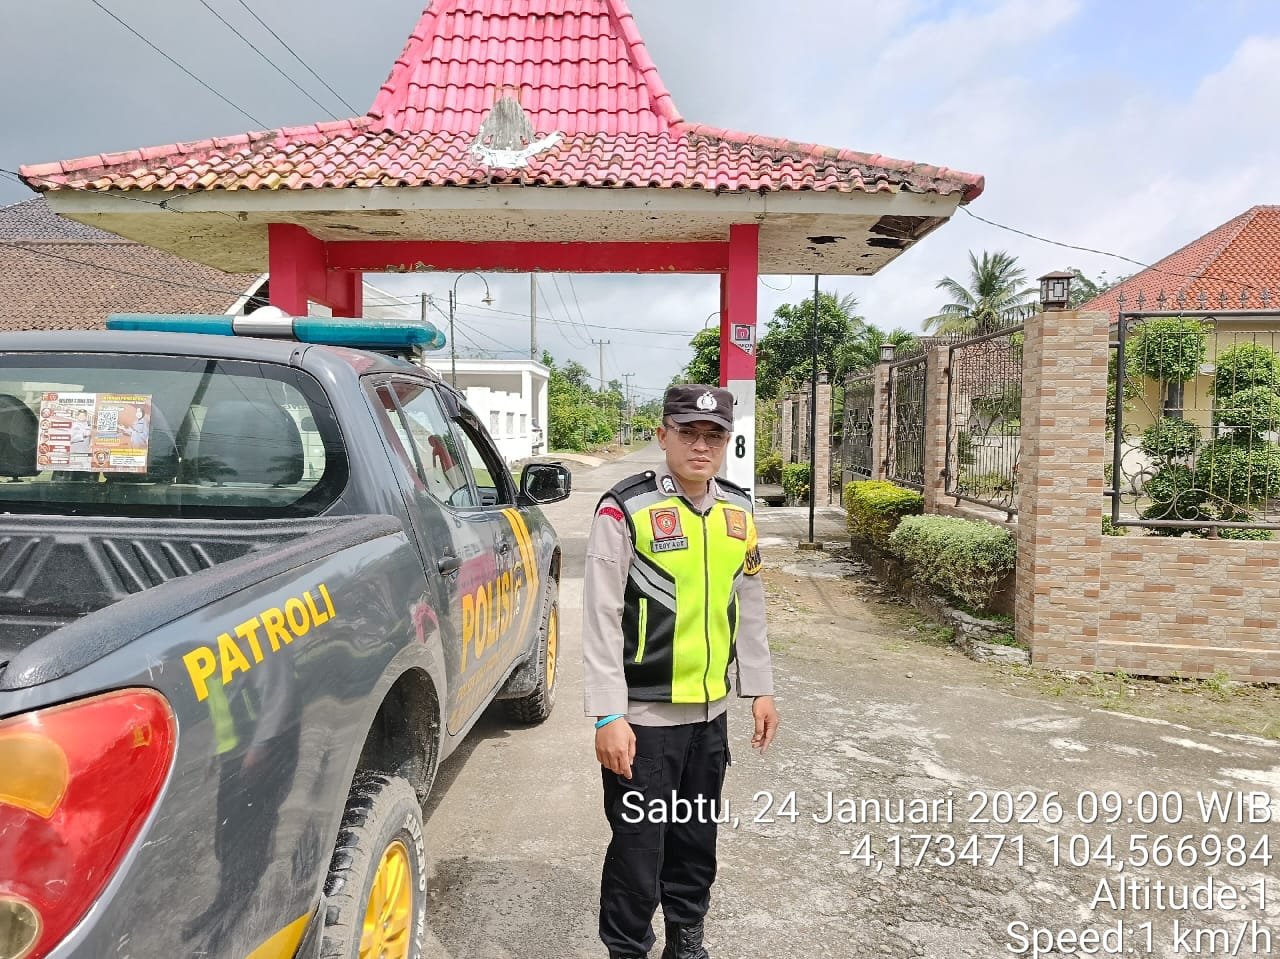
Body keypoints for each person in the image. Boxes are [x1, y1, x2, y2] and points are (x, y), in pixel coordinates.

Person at [583, 384, 779, 959]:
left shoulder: (739, 511)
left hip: (709, 719)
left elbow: (749, 601)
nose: (700, 446)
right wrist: (609, 713)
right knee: (638, 851)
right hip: (643, 722)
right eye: (688, 433)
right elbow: (600, 615)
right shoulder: (626, 508)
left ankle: (686, 943)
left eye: (713, 436)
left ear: (726, 442)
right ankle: (627, 950)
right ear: (662, 435)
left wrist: (760, 688)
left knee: (695, 843)